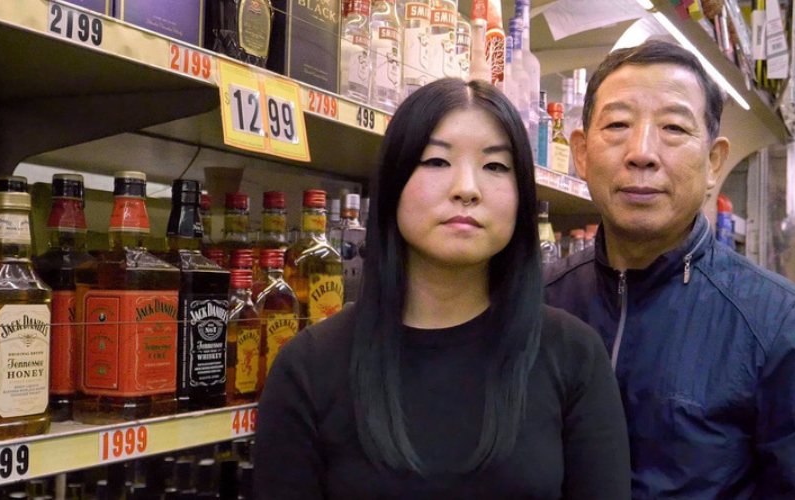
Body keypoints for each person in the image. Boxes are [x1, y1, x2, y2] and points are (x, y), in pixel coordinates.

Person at [254, 78, 630, 500]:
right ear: (393, 183)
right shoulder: (308, 367)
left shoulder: (574, 356)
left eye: (495, 166)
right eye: (436, 161)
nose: (466, 188)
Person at [545, 40, 795, 499]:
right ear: (582, 154)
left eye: (673, 127)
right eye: (619, 124)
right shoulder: (539, 301)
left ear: (713, 162)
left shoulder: (779, 324)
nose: (642, 152)